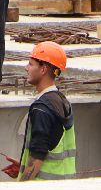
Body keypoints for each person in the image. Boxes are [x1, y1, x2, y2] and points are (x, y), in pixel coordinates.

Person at [17, 40, 75, 180]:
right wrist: (22, 167)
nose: (26, 68)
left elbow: (38, 156)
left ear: (43, 69)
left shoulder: (42, 108)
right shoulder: (61, 100)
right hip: (62, 188)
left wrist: (20, 187)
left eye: (31, 64)